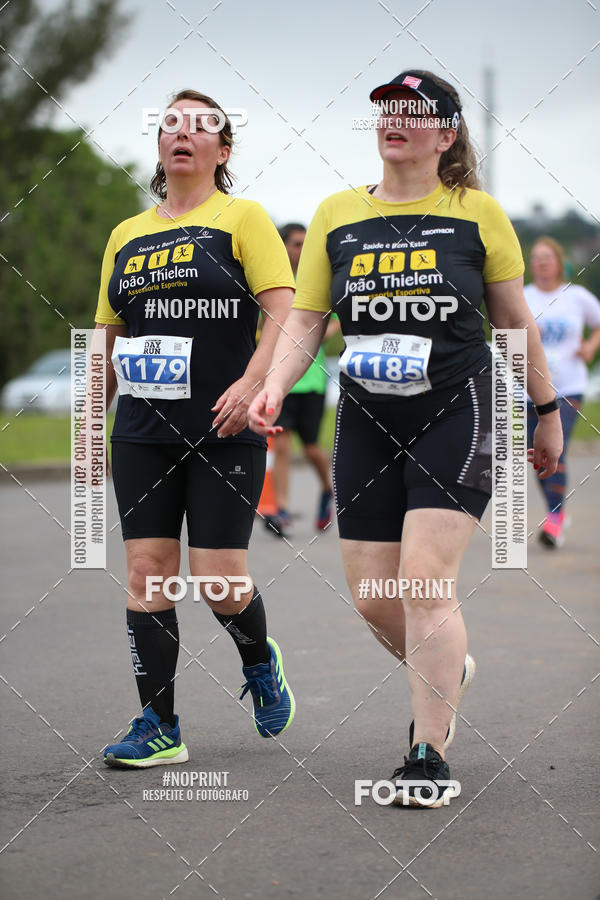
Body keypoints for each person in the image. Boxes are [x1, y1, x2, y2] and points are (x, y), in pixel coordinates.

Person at [249, 70, 563, 806]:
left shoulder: (477, 214)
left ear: (446, 134)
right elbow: (308, 319)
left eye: (413, 111)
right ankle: (448, 667)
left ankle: (427, 753)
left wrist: (546, 409)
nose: (394, 120)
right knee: (372, 597)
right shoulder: (337, 213)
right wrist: (273, 384)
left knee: (423, 581)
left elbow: (513, 321)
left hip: (457, 409)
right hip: (366, 416)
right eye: (387, 109)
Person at [94, 90, 296, 768]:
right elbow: (107, 335)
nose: (183, 133)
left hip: (223, 425)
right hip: (142, 429)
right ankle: (159, 725)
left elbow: (284, 311)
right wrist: (90, 424)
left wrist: (254, 382)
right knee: (147, 571)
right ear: (160, 146)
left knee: (217, 580)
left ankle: (259, 659)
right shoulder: (125, 234)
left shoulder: (243, 218)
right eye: (170, 124)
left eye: (201, 126)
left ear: (222, 149)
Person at [524, 237, 600, 547]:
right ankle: (556, 511)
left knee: (557, 446)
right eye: (536, 257)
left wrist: (590, 346)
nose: (542, 262)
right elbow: (505, 335)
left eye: (547, 257)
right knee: (538, 454)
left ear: (559, 261)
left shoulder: (576, 296)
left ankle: (554, 519)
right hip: (531, 388)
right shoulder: (523, 297)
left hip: (569, 386)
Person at [268, 223, 340, 536]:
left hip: (311, 380)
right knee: (282, 443)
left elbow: (335, 321)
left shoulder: (316, 279)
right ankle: (280, 510)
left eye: (305, 243)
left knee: (311, 448)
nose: (302, 249)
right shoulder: (271, 280)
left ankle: (326, 490)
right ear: (282, 246)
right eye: (297, 243)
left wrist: (313, 336)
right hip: (280, 380)